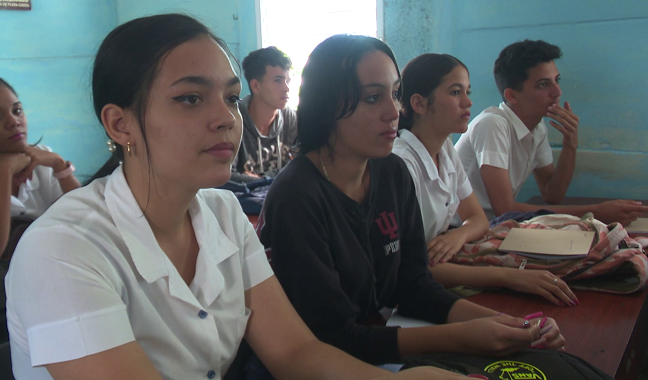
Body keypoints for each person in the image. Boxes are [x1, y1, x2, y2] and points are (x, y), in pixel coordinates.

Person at [4, 14, 460, 380]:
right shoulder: (64, 250)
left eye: (230, 96)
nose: (226, 118)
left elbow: (296, 353)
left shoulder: (223, 213)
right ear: (121, 124)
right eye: (190, 99)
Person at [258, 34, 564, 370]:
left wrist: (506, 323)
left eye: (396, 94)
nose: (394, 112)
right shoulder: (297, 196)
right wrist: (463, 336)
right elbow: (332, 337)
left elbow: (414, 284)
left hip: (377, 336)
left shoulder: (391, 172)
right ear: (326, 104)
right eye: (373, 98)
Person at [392, 53, 578, 307]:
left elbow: (477, 217)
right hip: (405, 290)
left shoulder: (444, 149)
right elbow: (407, 266)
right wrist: (509, 277)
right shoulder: (401, 164)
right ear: (419, 104)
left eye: (467, 91)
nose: (468, 102)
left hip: (440, 260)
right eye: (456, 92)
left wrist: (458, 236)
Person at [455, 40, 648, 225]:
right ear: (512, 95)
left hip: (490, 227)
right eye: (543, 84)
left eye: (557, 80)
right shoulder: (492, 124)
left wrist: (570, 144)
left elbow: (552, 194)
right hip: (457, 230)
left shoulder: (537, 128)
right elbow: (505, 209)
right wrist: (596, 212)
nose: (557, 92)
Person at [0, 74, 80, 262]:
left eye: (17, 110)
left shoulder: (45, 158)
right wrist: (3, 171)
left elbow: (87, 224)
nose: (14, 122)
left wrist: (60, 167)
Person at [230, 46, 297, 183]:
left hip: (280, 197)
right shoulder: (233, 120)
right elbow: (227, 177)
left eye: (288, 81)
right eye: (278, 80)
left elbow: (298, 168)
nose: (286, 88)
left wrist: (263, 179)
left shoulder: (290, 118)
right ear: (256, 86)